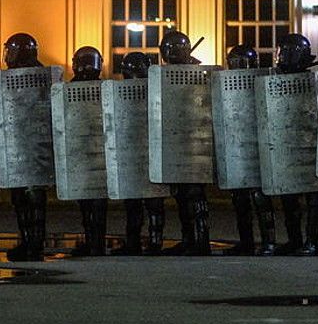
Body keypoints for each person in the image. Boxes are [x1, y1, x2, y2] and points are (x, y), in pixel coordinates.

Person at [156, 30, 211, 256]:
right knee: (181, 195)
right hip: (176, 143)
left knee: (195, 196)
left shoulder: (200, 74)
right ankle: (189, 239)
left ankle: (201, 241)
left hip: (197, 144)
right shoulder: (165, 76)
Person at [273, 34, 318, 256]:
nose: (280, 56)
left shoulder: (317, 80)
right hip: (287, 144)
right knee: (289, 196)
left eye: (284, 52)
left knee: (314, 198)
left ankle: (311, 242)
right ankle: (295, 240)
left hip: (313, 146)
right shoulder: (277, 79)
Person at [222, 44, 276, 256]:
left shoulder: (265, 79)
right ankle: (246, 242)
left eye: (239, 61)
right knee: (240, 201)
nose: (236, 66)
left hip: (260, 148)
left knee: (261, 201)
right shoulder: (226, 83)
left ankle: (268, 242)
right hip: (237, 148)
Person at [1, 33, 50, 261]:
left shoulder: (38, 76)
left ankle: (34, 243)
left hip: (31, 146)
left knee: (30, 198)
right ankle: (29, 241)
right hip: (22, 145)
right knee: (22, 199)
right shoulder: (37, 75)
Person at [116, 51, 167, 255]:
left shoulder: (156, 91)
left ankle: (136, 242)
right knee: (148, 204)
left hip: (138, 154)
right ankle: (153, 242)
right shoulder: (159, 90)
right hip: (152, 154)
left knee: (136, 203)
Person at [67, 46, 109, 257]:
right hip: (101, 154)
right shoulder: (106, 88)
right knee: (97, 203)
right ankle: (96, 241)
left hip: (80, 153)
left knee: (87, 202)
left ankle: (94, 241)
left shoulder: (67, 90)